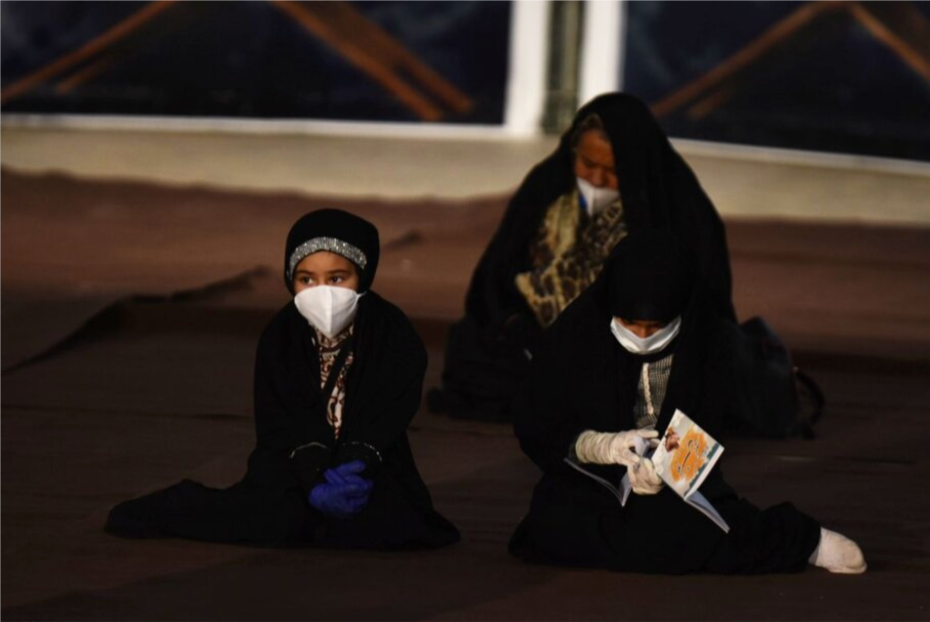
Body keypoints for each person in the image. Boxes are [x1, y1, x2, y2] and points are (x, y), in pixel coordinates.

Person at [509, 230, 864, 575]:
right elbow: (539, 421)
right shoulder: (576, 335)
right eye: (630, 323)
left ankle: (802, 539)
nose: (642, 337)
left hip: (677, 484)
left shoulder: (709, 344)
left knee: (684, 530)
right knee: (559, 526)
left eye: (656, 326)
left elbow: (705, 423)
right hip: (590, 481)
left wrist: (658, 470)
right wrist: (602, 447)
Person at [105, 209, 459, 550]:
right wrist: (314, 476)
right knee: (276, 519)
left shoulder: (391, 331)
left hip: (370, 466)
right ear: (291, 279)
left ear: (363, 274)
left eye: (337, 278)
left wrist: (355, 464)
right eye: (306, 279)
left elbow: (389, 407)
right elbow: (281, 418)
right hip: (293, 464)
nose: (323, 292)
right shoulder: (281, 335)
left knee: (394, 526)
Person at [431, 93, 735, 421]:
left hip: (635, 346)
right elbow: (496, 276)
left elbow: (703, 302)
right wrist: (521, 327)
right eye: (588, 164)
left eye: (613, 170)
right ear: (573, 151)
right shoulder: (547, 187)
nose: (597, 180)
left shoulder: (677, 208)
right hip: (539, 341)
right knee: (474, 348)